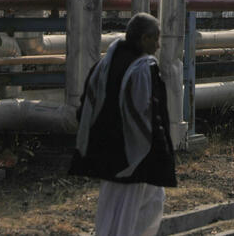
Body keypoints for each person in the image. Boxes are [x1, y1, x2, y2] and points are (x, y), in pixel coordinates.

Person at [69, 13, 176, 236]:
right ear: (144, 38)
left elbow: (86, 107)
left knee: (119, 207)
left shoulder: (105, 64)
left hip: (107, 152)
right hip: (134, 156)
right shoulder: (143, 69)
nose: (158, 45)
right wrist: (162, 153)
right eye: (155, 39)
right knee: (131, 212)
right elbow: (150, 115)